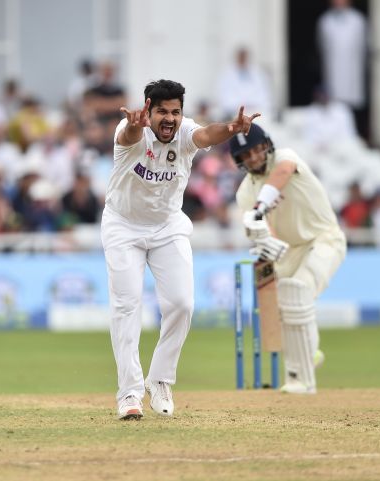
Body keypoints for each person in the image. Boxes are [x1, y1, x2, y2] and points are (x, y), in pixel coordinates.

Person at [105, 79, 259, 420]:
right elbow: (127, 138)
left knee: (182, 304)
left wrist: (232, 128)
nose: (170, 119)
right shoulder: (131, 130)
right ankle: (129, 394)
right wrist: (134, 126)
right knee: (126, 307)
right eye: (162, 111)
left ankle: (159, 379)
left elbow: (206, 135)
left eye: (175, 112)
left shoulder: (185, 132)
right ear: (148, 109)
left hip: (167, 225)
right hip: (123, 226)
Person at [231, 123, 346, 394]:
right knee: (280, 308)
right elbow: (262, 228)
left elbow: (281, 174)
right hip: (289, 250)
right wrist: (264, 240)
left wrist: (260, 207)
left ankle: (301, 379)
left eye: (255, 150)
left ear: (266, 146)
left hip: (324, 239)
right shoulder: (244, 192)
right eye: (244, 156)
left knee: (299, 290)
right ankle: (311, 354)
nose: (252, 158)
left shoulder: (286, 157)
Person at [317, 0, 369, 140]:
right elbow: (322, 46)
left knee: (353, 104)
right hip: (333, 69)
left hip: (353, 69)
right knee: (334, 105)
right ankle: (336, 137)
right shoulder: (325, 21)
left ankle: (356, 136)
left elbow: (364, 46)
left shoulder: (358, 20)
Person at [217, 47, 273, 121]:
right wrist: (241, 106)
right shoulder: (227, 74)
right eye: (241, 56)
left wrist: (253, 105)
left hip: (256, 111)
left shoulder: (258, 73)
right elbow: (224, 97)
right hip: (235, 112)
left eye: (244, 56)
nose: (242, 58)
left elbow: (265, 95)